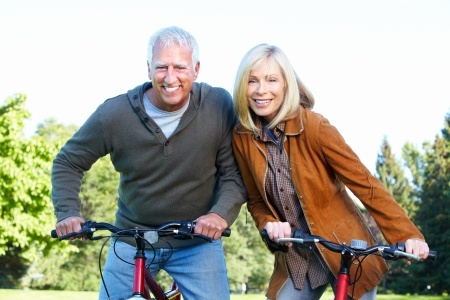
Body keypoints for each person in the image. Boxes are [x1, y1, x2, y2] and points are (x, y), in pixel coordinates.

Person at [51, 26, 247, 300]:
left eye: (180, 67)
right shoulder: (115, 114)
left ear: (196, 69)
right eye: (161, 67)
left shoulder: (218, 105)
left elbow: (233, 174)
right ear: (148, 69)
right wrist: (68, 212)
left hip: (196, 243)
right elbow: (68, 161)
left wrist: (220, 215)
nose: (170, 78)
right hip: (132, 238)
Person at [231, 44, 430, 300]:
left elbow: (365, 184)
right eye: (252, 81)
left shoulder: (315, 127)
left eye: (271, 80)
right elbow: (256, 201)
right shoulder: (242, 137)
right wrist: (269, 223)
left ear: (286, 85)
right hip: (298, 256)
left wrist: (408, 235)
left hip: (345, 249)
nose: (261, 90)